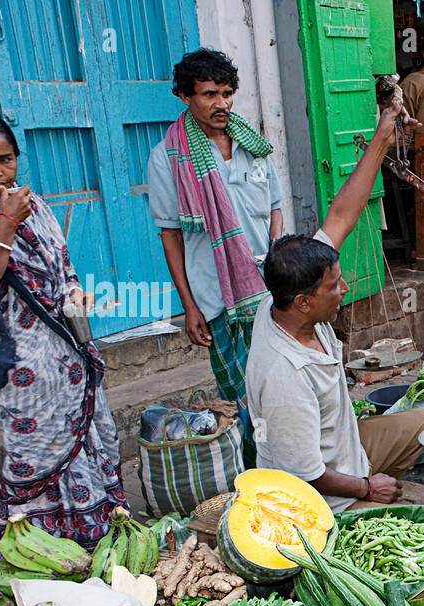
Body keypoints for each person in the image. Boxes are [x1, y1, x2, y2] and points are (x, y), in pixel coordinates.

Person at [0, 113, 127, 548]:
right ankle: (34, 539)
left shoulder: (36, 204)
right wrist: (6, 222)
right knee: (34, 446)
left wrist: (76, 295)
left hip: (65, 344)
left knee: (87, 433)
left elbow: (61, 266)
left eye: (5, 159)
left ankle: (93, 523)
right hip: (17, 355)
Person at [245, 106, 424, 513]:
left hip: (348, 451)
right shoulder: (284, 377)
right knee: (404, 531)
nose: (344, 289)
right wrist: (367, 488)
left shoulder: (285, 292)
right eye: (334, 287)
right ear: (304, 301)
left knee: (422, 424)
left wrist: (383, 138)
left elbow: (343, 212)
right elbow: (305, 475)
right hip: (322, 499)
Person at [148, 48, 283, 464]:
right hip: (215, 294)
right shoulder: (167, 158)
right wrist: (189, 306)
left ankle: (291, 457)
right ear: (186, 97)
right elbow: (170, 236)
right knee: (239, 391)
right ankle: (256, 465)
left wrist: (278, 265)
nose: (221, 103)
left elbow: (275, 206)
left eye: (227, 93)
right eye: (209, 94)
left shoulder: (252, 144)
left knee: (277, 381)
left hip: (266, 287)